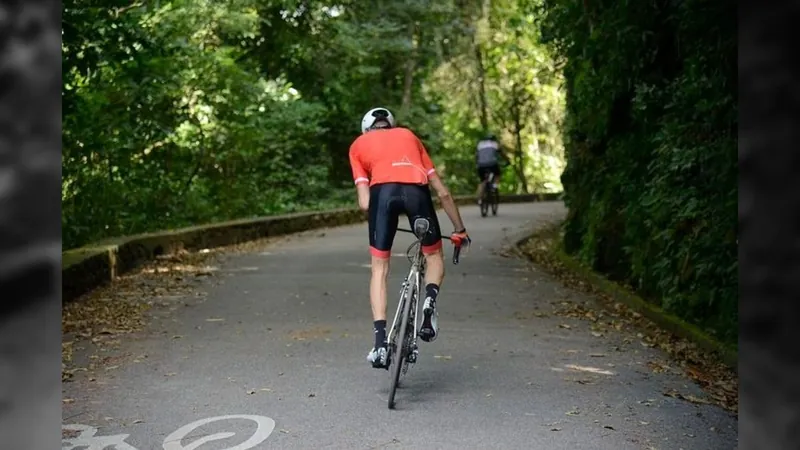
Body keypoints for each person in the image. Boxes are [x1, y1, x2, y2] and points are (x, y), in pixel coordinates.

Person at [348, 106, 471, 369]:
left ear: (367, 129)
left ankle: (380, 344)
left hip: (382, 197)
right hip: (417, 194)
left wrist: (383, 218)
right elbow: (443, 193)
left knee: (379, 269)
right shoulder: (409, 137)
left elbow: (364, 201)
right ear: (391, 126)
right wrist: (459, 230)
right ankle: (429, 300)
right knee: (433, 254)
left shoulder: (358, 145)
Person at [475, 133, 503, 204]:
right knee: (497, 174)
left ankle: (479, 200)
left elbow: (476, 155)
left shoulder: (480, 144)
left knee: (482, 182)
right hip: (492, 164)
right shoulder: (494, 144)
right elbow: (501, 154)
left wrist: (477, 163)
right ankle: (494, 186)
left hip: (481, 165)